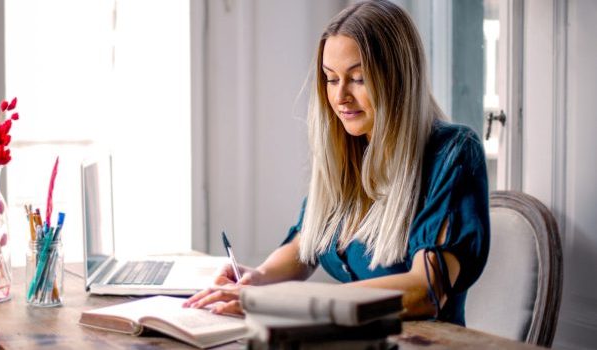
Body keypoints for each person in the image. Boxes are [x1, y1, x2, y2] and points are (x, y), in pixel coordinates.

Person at [184, 0, 489, 326]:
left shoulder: (453, 153)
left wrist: (283, 301)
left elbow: (424, 291)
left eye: (357, 78)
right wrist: (258, 278)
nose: (340, 97)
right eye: (331, 79)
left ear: (398, 80)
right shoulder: (349, 149)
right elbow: (307, 243)